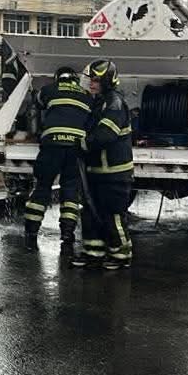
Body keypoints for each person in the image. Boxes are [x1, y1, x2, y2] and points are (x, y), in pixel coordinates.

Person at [72, 59, 134, 272]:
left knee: (113, 215)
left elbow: (105, 135)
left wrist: (81, 143)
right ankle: (93, 252)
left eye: (96, 80)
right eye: (90, 79)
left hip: (115, 173)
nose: (91, 84)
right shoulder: (100, 102)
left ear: (107, 81)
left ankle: (121, 255)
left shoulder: (115, 103)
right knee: (91, 212)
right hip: (98, 171)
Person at [24, 66, 92, 254]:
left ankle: (31, 231)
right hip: (76, 148)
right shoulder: (86, 94)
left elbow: (36, 104)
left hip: (52, 145)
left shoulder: (49, 90)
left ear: (57, 78)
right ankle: (68, 233)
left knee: (42, 187)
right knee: (70, 190)